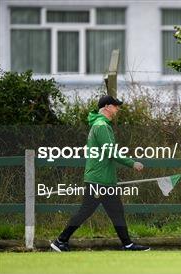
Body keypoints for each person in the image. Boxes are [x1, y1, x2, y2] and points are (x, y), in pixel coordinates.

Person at [51, 95, 150, 252]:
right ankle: (60, 241)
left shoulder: (98, 125)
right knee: (85, 212)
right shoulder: (102, 126)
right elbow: (110, 152)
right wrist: (132, 163)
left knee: (116, 211)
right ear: (107, 107)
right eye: (116, 106)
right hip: (99, 179)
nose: (118, 109)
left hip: (103, 178)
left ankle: (127, 244)